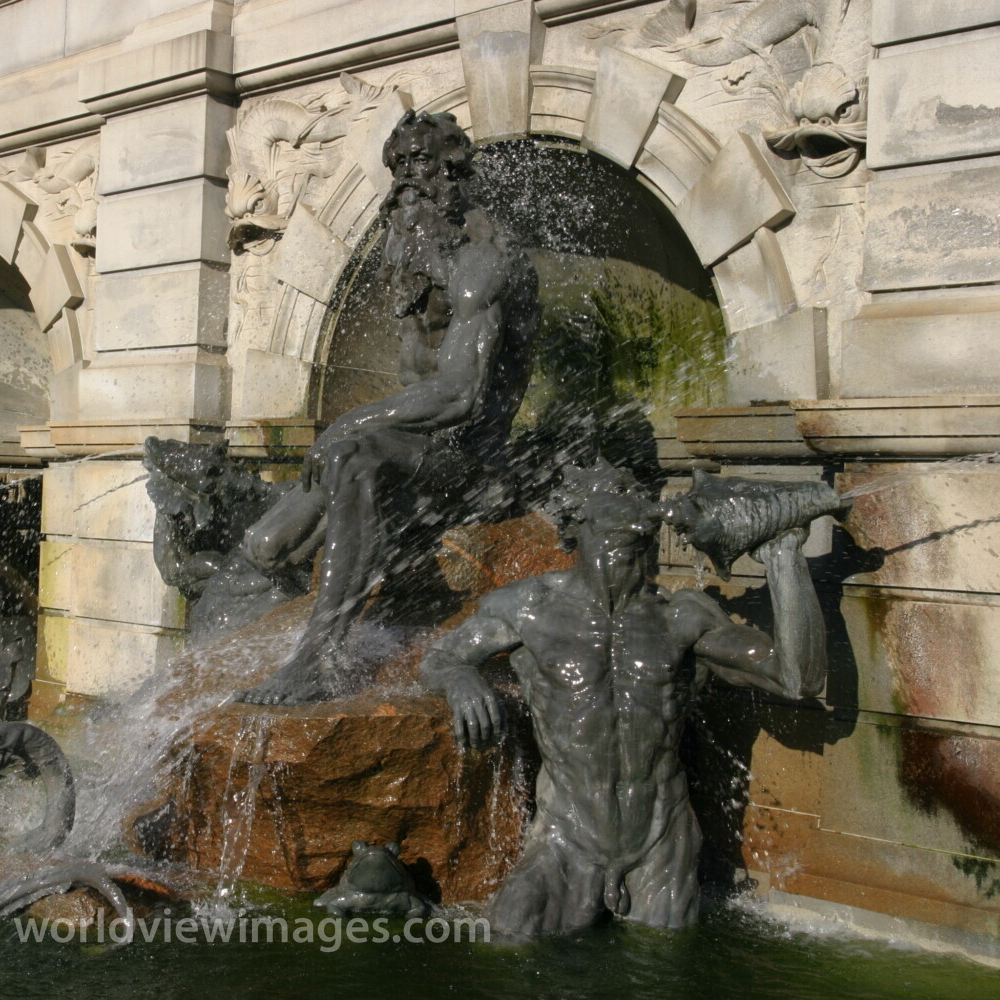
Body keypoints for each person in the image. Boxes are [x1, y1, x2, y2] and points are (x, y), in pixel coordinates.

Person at [419, 460, 827, 936]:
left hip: (662, 841)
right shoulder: (529, 608)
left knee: (662, 964)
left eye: (633, 490)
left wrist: (784, 560)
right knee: (512, 930)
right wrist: (460, 680)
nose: (634, 501)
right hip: (566, 836)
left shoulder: (682, 616)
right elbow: (441, 657)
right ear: (580, 520)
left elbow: (798, 679)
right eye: (616, 490)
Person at [237, 110, 541, 705]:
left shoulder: (483, 261)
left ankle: (320, 658)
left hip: (469, 464)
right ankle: (350, 579)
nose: (405, 180)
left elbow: (460, 393)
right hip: (414, 450)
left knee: (350, 454)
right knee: (264, 547)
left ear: (453, 171)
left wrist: (349, 425)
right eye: (397, 167)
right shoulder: (416, 256)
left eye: (419, 163)